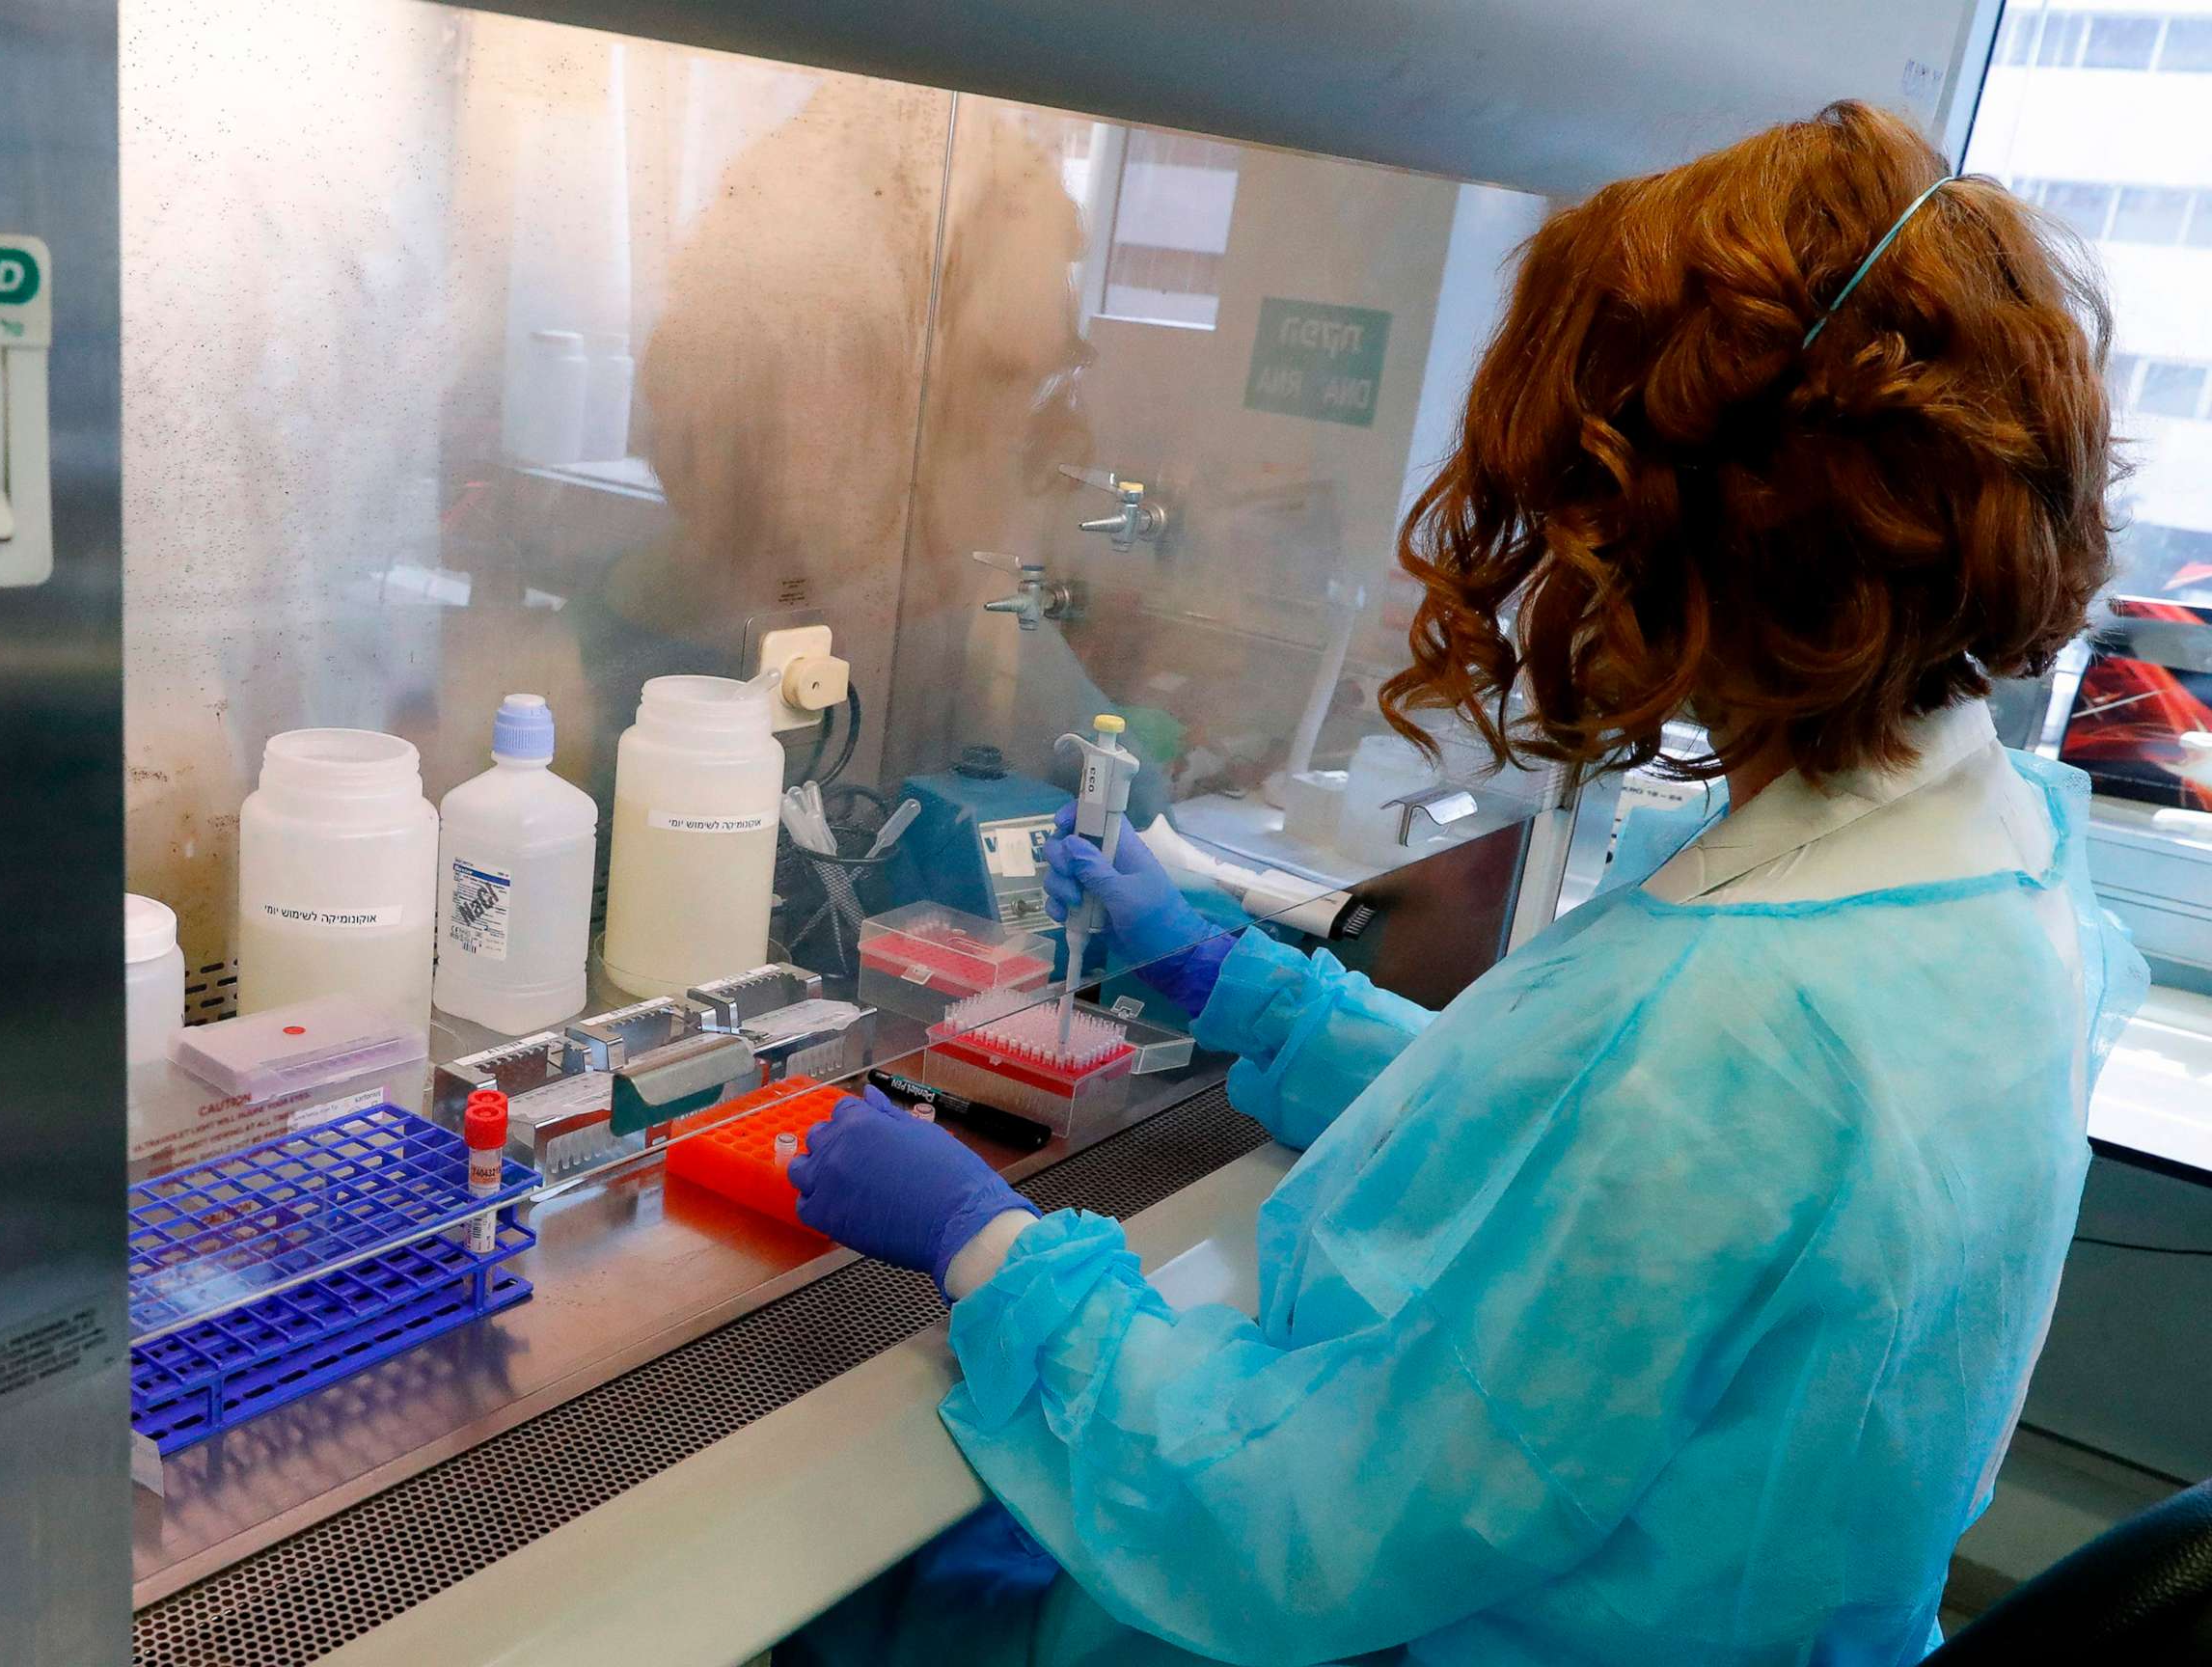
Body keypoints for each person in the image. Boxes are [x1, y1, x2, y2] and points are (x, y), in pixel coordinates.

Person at [783, 101, 2147, 1667]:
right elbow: (1607, 1185)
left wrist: (986, 1246)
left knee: (845, 1610)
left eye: (1567, 512)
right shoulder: (2005, 868)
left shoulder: (1730, 1035)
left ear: (1679, 534)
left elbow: (1281, 1529)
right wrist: (1259, 997)